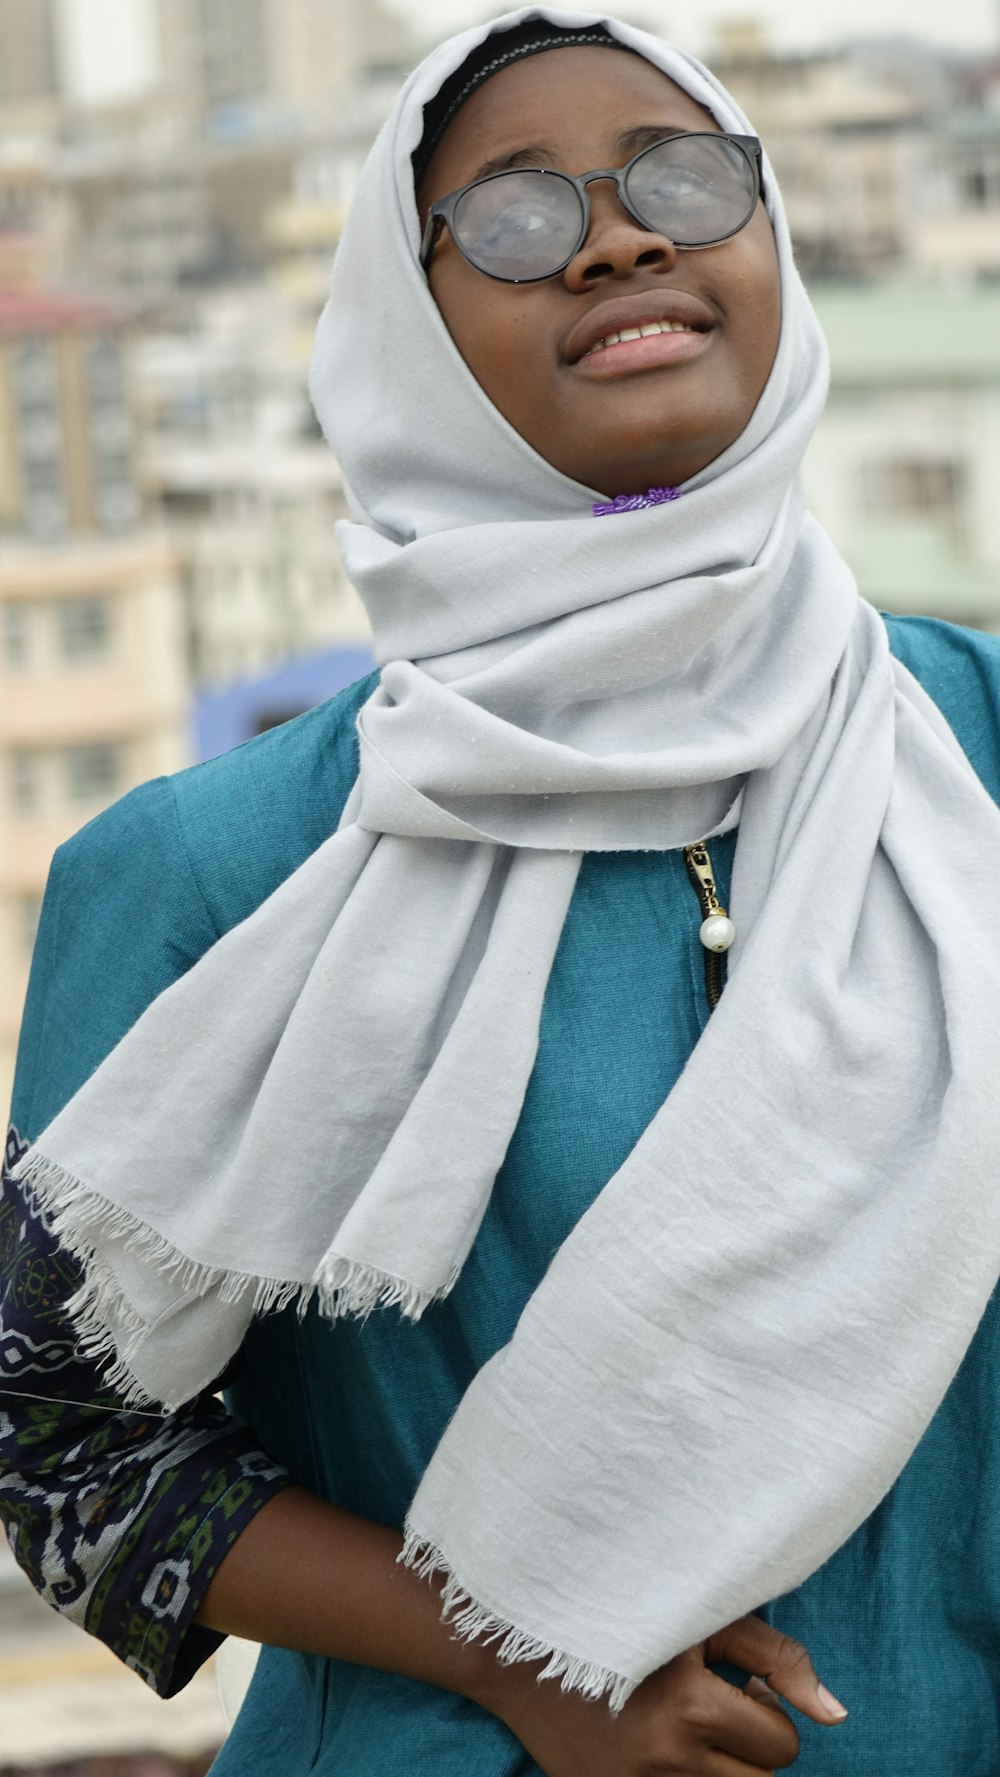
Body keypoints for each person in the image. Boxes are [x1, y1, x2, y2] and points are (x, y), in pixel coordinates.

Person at [3, 9, 1000, 1776]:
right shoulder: (218, 871)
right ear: (406, 328)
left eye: (687, 179)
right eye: (518, 217)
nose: (625, 236)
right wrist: (519, 1649)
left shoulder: (973, 749)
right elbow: (49, 1440)